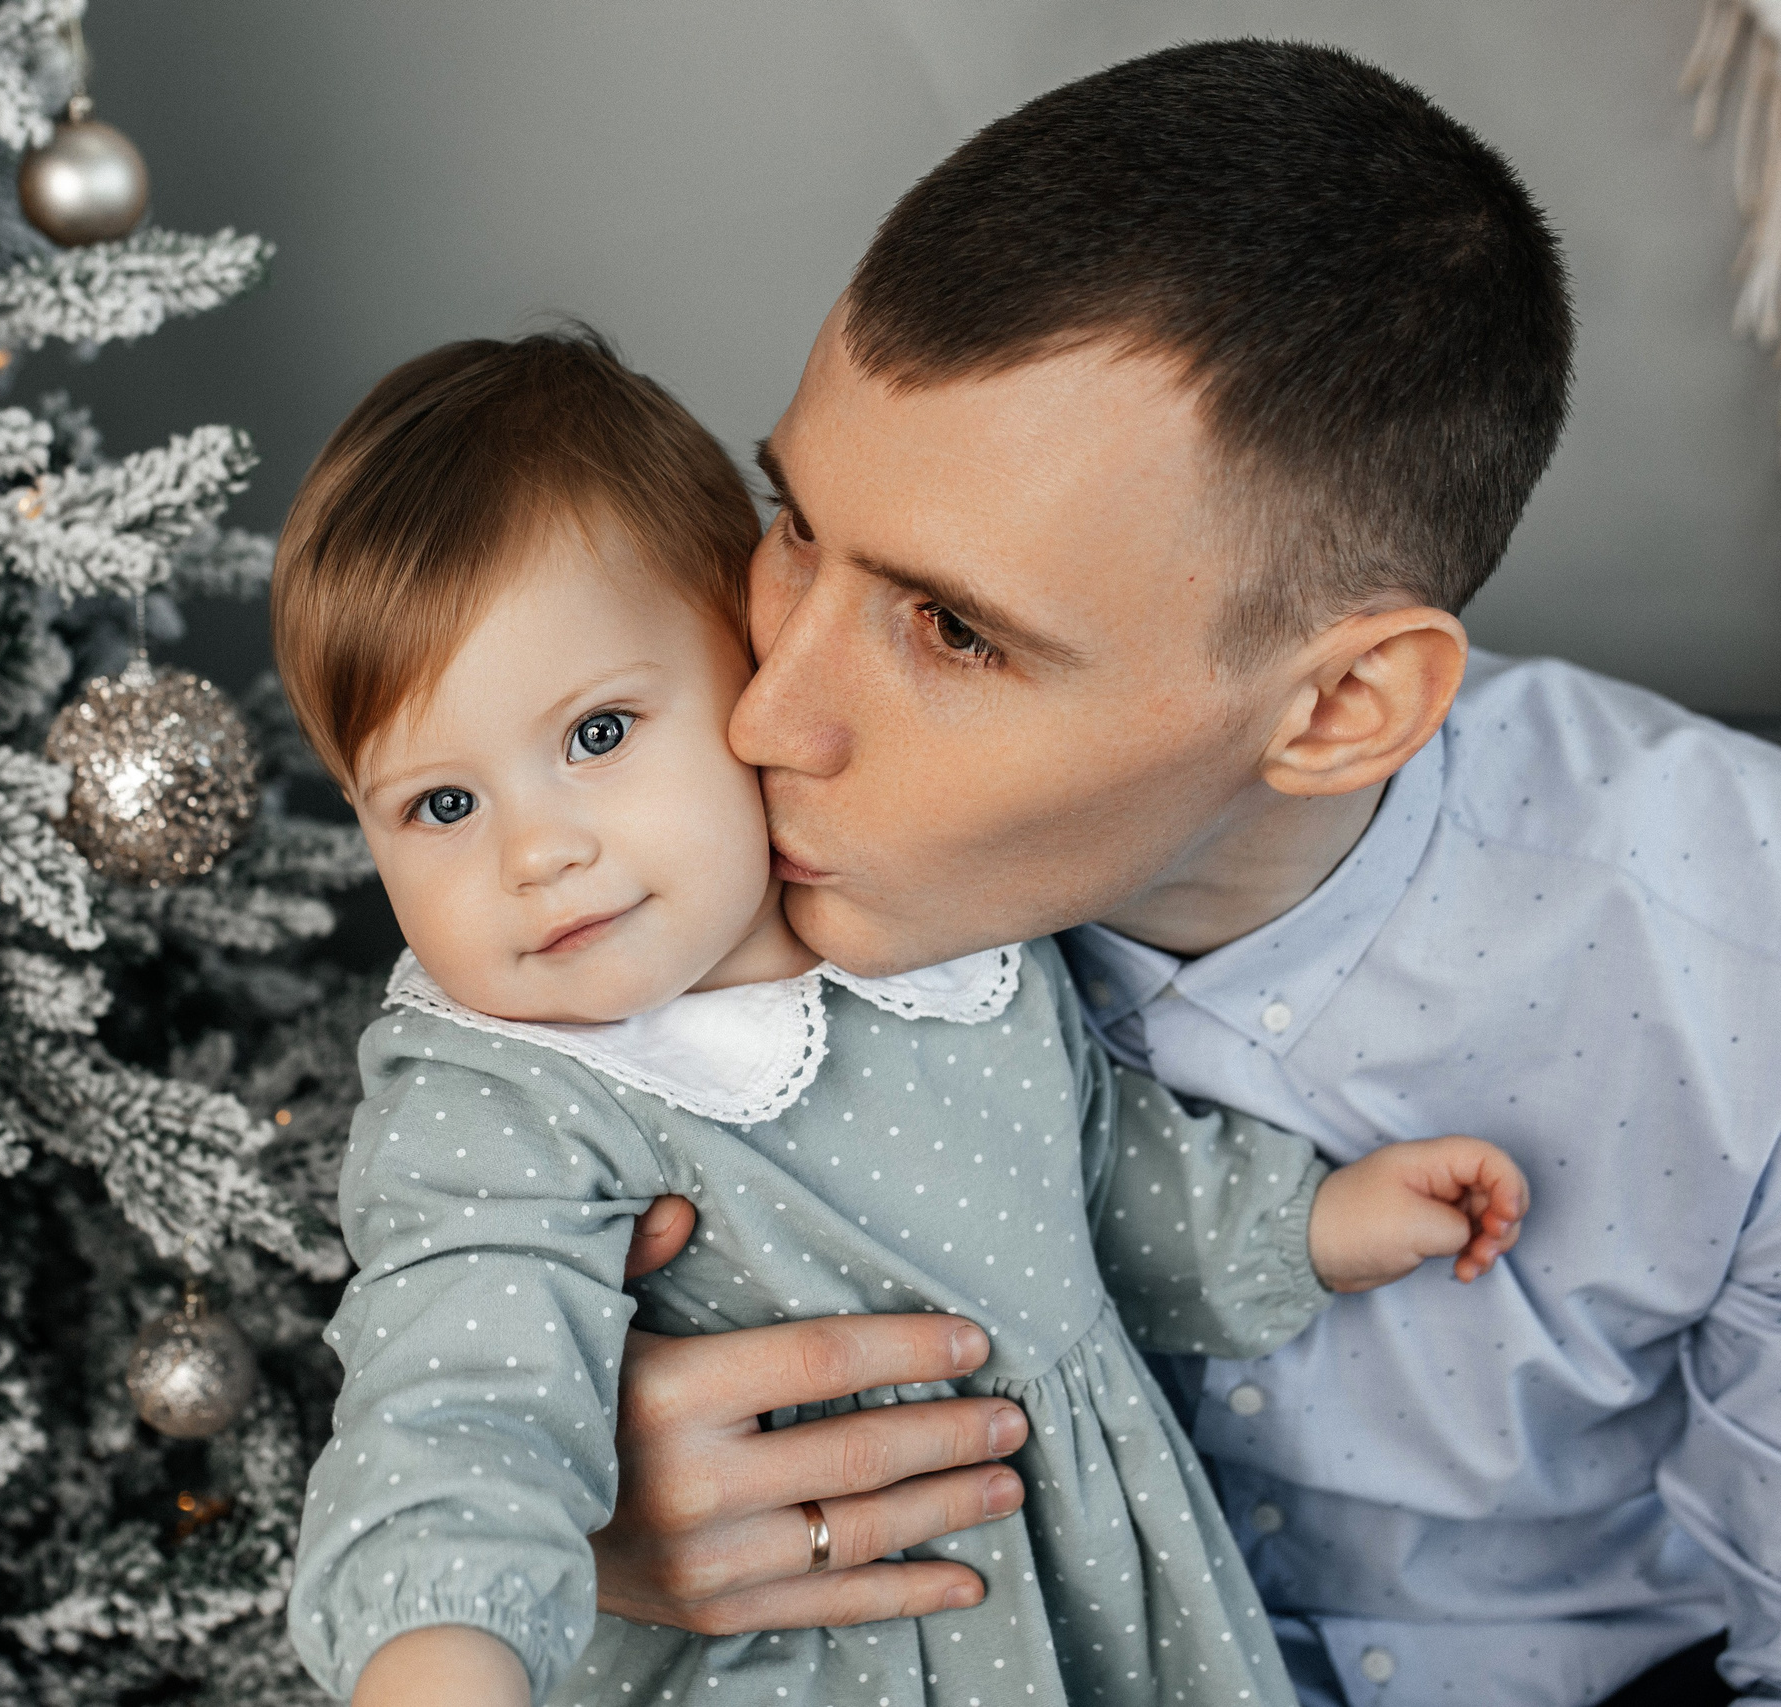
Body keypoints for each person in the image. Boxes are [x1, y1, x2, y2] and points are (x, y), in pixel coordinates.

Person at [582, 39, 1781, 1707]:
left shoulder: (1746, 971)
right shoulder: (639, 850)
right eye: (791, 525)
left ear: (1342, 708)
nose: (771, 714)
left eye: (950, 628)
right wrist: (579, 1520)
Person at [270, 330, 1529, 1707]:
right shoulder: (503, 1093)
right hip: (803, 1649)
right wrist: (440, 1646)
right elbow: (460, 1390)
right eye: (440, 806)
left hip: (1101, 1586)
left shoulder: (927, 926)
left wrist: (1308, 1225)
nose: (535, 853)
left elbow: (1095, 1163)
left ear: (751, 661)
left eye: (598, 735)